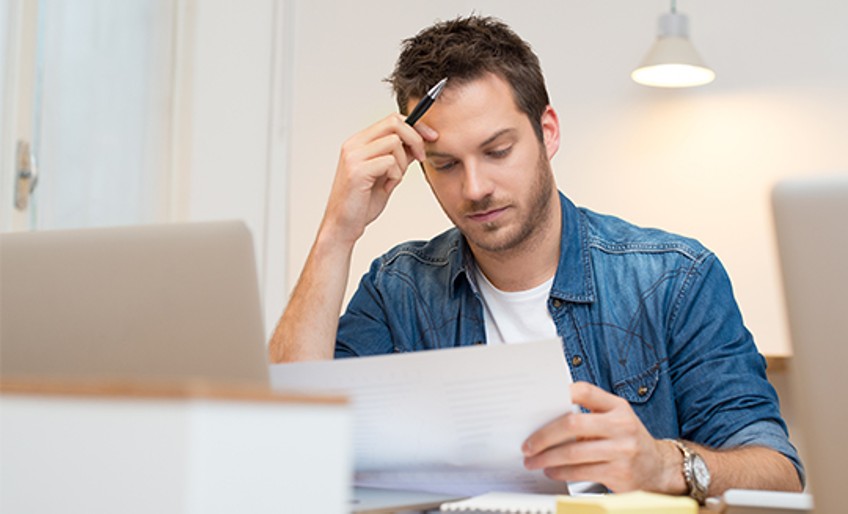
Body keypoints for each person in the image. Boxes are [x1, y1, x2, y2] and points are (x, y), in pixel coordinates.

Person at [269, 15, 803, 501]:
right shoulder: (398, 289)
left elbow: (778, 473)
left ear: (547, 132)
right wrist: (337, 233)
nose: (475, 188)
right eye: (446, 164)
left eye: (497, 151)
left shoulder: (675, 278)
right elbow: (284, 443)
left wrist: (663, 465)